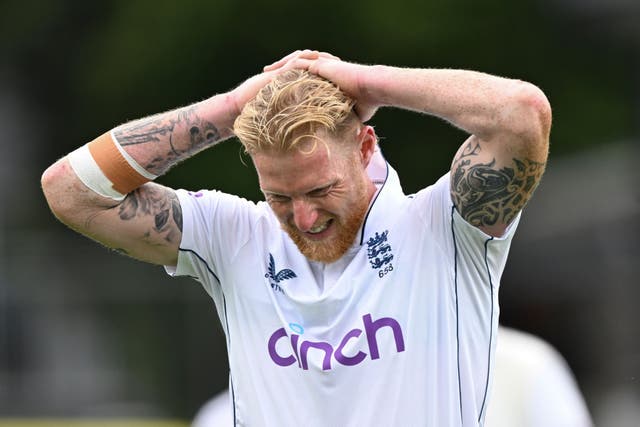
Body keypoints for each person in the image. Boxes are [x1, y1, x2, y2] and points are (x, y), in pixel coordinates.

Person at [41, 50, 551, 426]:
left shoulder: (446, 228)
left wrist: (365, 83)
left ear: (364, 144)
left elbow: (521, 114)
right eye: (279, 197)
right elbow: (70, 191)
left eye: (320, 189)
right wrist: (232, 107)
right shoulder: (231, 236)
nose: (303, 218)